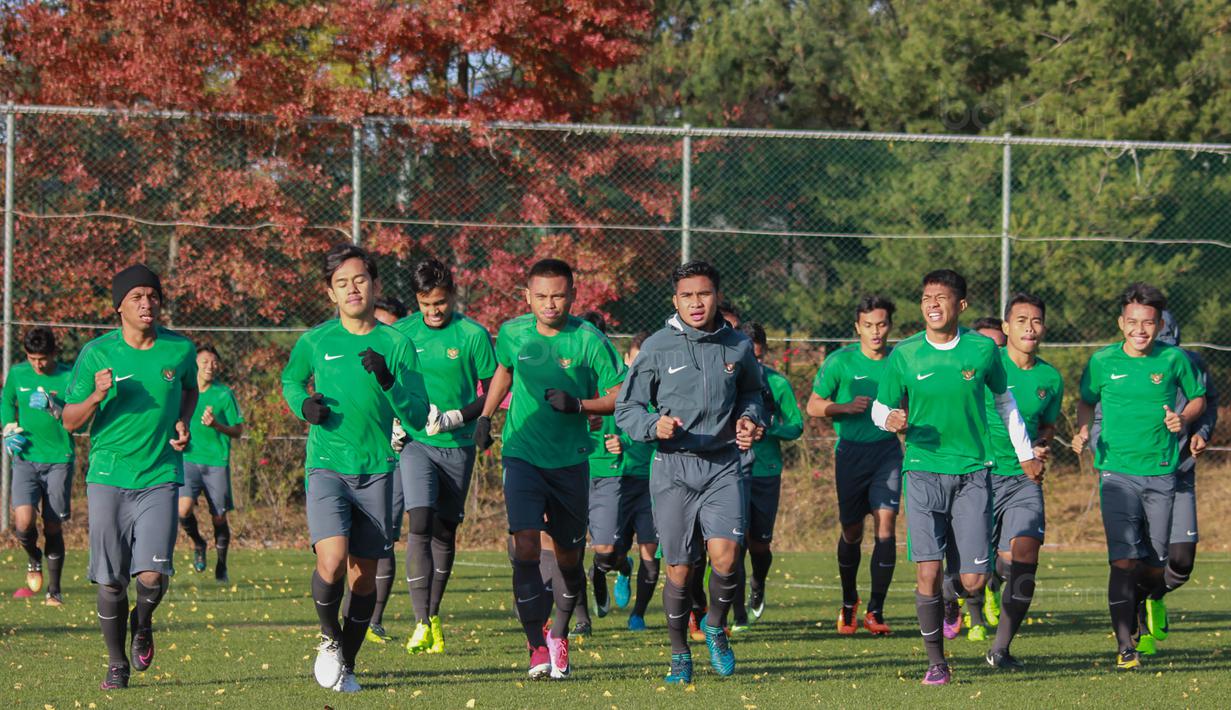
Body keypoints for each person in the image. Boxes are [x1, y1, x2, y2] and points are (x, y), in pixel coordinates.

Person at [870, 269, 1041, 686]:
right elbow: (880, 406)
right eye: (927, 297)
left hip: (972, 474)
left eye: (942, 297)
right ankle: (937, 663)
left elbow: (1006, 403)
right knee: (926, 570)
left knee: (973, 579)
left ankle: (954, 593)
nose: (932, 304)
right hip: (923, 471)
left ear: (960, 305)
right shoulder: (906, 354)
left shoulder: (983, 350)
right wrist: (888, 419)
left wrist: (1025, 455)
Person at [281, 244, 429, 693]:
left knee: (364, 579)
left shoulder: (397, 344)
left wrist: (389, 381)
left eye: (360, 280)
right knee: (331, 559)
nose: (352, 289)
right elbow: (290, 380)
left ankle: (347, 663)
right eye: (342, 283)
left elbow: (420, 415)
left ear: (375, 285)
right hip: (326, 465)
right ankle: (329, 639)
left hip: (378, 470)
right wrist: (304, 406)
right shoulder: (316, 340)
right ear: (330, 293)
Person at [473, 258, 625, 680]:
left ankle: (559, 632)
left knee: (569, 560)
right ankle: (536, 647)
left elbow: (618, 395)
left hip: (571, 460)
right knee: (524, 547)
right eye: (541, 296)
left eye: (558, 295)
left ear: (573, 295)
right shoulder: (513, 333)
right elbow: (504, 370)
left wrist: (580, 405)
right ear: (527, 296)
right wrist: (486, 417)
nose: (550, 304)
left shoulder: (589, 340)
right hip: (521, 454)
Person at [615, 260, 763, 685]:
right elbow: (627, 410)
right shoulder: (657, 348)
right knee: (678, 569)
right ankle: (679, 652)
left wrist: (750, 420)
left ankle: (715, 625)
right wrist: (651, 425)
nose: (696, 303)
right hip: (673, 469)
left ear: (717, 295)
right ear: (675, 300)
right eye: (687, 296)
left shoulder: (737, 346)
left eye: (704, 294)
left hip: (723, 465)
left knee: (728, 557)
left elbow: (753, 393)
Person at [61, 264, 198, 691]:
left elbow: (189, 390)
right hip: (108, 475)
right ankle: (117, 663)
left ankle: (142, 624)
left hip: (159, 474)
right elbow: (69, 420)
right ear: (118, 305)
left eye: (153, 295)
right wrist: (98, 395)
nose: (146, 303)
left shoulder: (180, 350)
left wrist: (182, 421)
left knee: (153, 576)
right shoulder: (97, 353)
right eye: (136, 296)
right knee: (110, 578)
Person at [1073, 284, 1205, 671]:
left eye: (1148, 323)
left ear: (1159, 324)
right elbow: (1086, 401)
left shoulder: (1174, 360)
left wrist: (1184, 418)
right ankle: (1125, 643)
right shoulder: (1101, 361)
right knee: (1123, 560)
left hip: (1162, 473)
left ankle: (1150, 600)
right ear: (1121, 323)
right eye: (1132, 322)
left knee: (1155, 562)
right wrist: (1084, 431)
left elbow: (1197, 396)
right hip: (1116, 473)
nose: (1140, 330)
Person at [394, 258, 496, 655]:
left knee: (444, 531)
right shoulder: (400, 333)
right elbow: (384, 383)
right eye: (425, 304)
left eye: (440, 303)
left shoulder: (471, 334)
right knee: (418, 521)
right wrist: (394, 422)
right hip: (417, 442)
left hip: (457, 445)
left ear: (452, 295)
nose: (433, 311)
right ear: (416, 301)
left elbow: (493, 389)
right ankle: (420, 621)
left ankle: (433, 614)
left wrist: (459, 416)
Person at [807, 296, 900, 635]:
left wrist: (904, 419)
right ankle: (849, 602)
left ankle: (876, 610)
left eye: (882, 324)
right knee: (852, 532)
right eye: (869, 326)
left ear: (889, 326)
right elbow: (814, 406)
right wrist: (844, 408)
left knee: (886, 525)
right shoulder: (840, 361)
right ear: (857, 328)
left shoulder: (899, 360)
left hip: (887, 452)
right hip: (850, 454)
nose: (876, 332)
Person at [982, 294, 1063, 669]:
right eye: (1021, 320)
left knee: (1025, 556)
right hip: (978, 476)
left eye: (1036, 320)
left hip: (1024, 479)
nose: (1029, 327)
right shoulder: (985, 365)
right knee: (973, 573)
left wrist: (1042, 445)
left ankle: (1001, 648)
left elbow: (1047, 425)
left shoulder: (1049, 377)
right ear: (1005, 327)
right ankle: (958, 595)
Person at [1137, 310, 1218, 651]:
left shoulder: (1191, 362)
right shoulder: (1123, 363)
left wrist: (1201, 432)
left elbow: (1208, 402)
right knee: (1139, 557)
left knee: (1182, 561)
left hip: (1180, 471)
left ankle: (1156, 595)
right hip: (1135, 473)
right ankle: (1137, 632)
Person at [734, 321, 802, 628]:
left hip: (765, 471)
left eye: (758, 357)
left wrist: (770, 429)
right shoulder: (725, 381)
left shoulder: (777, 384)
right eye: (748, 357)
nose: (753, 364)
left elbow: (796, 425)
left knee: (759, 546)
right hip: (729, 471)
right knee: (731, 545)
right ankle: (733, 612)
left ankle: (758, 582)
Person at [2, 327, 74, 604]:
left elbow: (80, 414)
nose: (37, 364)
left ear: (54, 353)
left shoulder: (68, 376)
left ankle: (54, 590)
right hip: (25, 458)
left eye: (42, 358)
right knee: (23, 522)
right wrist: (8, 429)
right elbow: (6, 402)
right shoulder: (18, 374)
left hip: (59, 459)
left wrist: (55, 405)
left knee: (53, 525)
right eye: (32, 358)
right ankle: (33, 557)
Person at [177, 345, 244, 583]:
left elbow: (238, 431)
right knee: (182, 510)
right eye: (204, 361)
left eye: (214, 362)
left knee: (219, 516)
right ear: (195, 364)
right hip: (187, 460)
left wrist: (217, 425)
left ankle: (222, 566)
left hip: (216, 462)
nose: (209, 366)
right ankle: (198, 543)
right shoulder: (183, 392)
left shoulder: (223, 395)